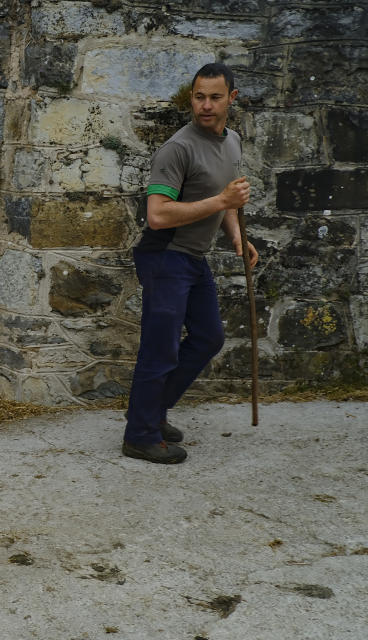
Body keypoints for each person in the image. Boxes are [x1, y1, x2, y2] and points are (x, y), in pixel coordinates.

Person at [123, 62, 259, 464]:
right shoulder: (177, 148)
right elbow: (158, 215)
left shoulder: (231, 141)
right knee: (160, 349)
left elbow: (224, 197)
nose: (205, 105)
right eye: (199, 97)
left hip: (193, 257)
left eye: (215, 97)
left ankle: (148, 411)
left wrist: (236, 235)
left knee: (208, 338)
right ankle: (140, 435)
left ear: (231, 99)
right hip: (165, 255)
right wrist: (222, 202)